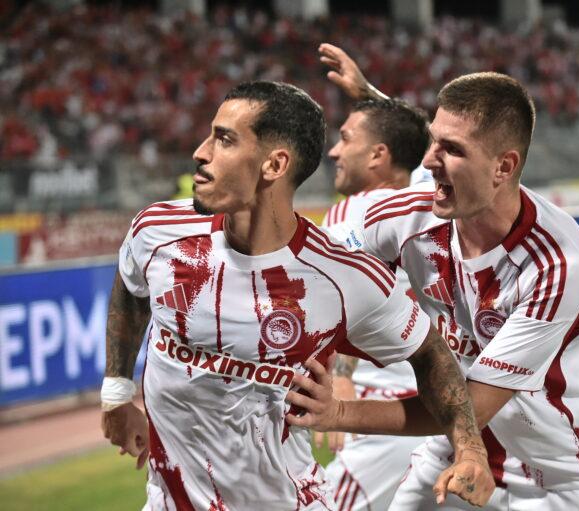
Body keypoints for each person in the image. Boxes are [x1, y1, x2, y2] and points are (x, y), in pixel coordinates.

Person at [100, 80, 495, 510]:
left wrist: (469, 448)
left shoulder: (340, 275)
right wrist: (117, 391)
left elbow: (431, 355)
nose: (200, 152)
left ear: (274, 164)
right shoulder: (158, 230)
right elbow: (132, 289)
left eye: (225, 139)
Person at [291, 46, 579, 510]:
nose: (429, 162)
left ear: (504, 167)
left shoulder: (556, 264)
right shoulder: (408, 214)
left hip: (565, 475)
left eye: (451, 150)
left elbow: (468, 409)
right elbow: (306, 270)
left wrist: (337, 412)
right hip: (453, 452)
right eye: (433, 143)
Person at [317, 93, 432, 510]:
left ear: (378, 155)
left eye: (346, 138)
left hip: (384, 412)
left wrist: (341, 375)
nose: (334, 151)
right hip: (433, 407)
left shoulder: (356, 212)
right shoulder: (430, 201)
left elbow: (351, 299)